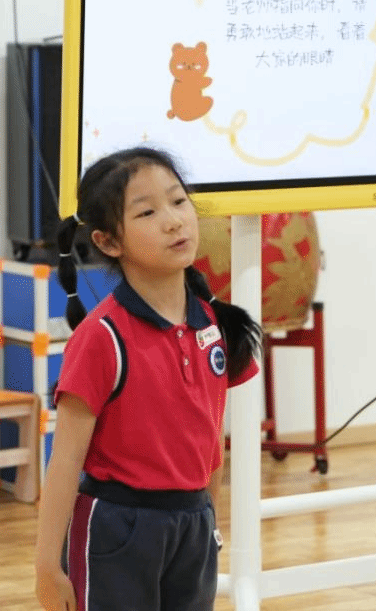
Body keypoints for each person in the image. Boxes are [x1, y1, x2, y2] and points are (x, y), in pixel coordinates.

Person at [34, 146, 261, 611]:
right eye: (147, 212)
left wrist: (210, 519)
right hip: (117, 529)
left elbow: (211, 439)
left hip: (193, 524)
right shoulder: (101, 337)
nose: (174, 221)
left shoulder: (213, 324)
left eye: (178, 201)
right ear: (108, 242)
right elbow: (65, 460)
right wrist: (46, 567)